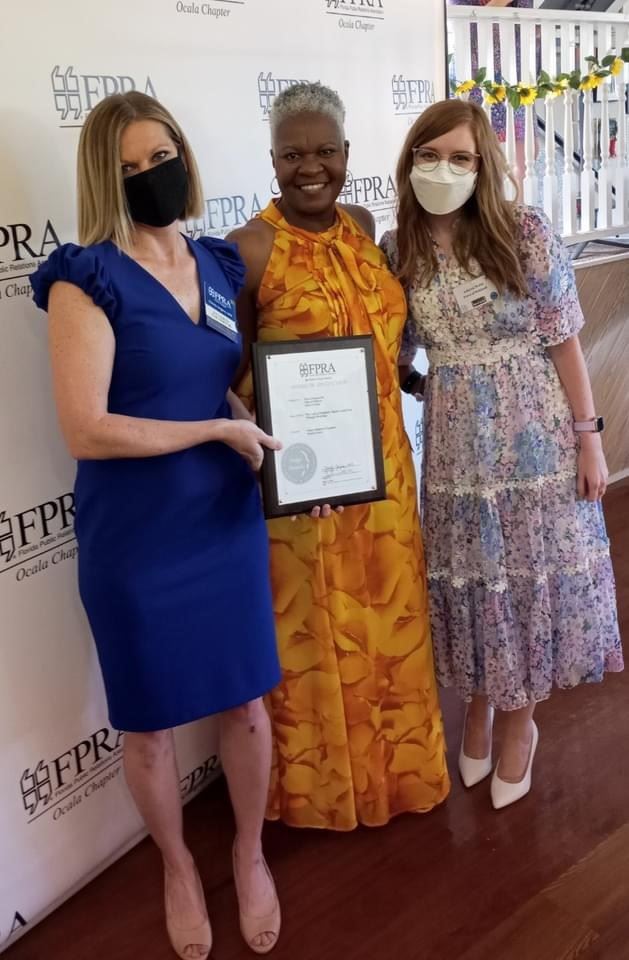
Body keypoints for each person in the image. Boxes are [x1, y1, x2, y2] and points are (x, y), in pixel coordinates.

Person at [30, 92, 282, 957]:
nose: (152, 175)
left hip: (223, 517)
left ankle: (248, 853)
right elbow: (86, 428)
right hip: (137, 537)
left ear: (184, 152)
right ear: (106, 179)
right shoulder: (85, 277)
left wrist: (297, 454)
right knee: (149, 724)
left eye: (161, 154)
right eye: (131, 168)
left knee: (248, 706)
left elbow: (228, 381)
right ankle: (177, 864)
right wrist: (215, 427)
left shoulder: (218, 262)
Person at [380, 98, 623, 810]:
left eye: (459, 156)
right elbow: (394, 354)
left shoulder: (522, 232)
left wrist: (589, 438)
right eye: (429, 154)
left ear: (482, 164)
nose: (443, 168)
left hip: (535, 434)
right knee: (475, 576)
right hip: (456, 447)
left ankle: (520, 720)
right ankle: (482, 700)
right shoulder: (401, 249)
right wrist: (427, 385)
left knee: (526, 573)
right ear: (409, 162)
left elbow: (563, 339)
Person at [228, 82, 450, 831]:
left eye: (324, 150)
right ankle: (323, 798)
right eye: (293, 154)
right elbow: (230, 380)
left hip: (384, 473)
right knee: (320, 637)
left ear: (347, 155)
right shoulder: (248, 250)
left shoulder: (361, 226)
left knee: (388, 624)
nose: (310, 166)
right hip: (306, 490)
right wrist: (283, 461)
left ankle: (397, 777)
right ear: (273, 161)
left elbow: (379, 345)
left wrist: (417, 379)